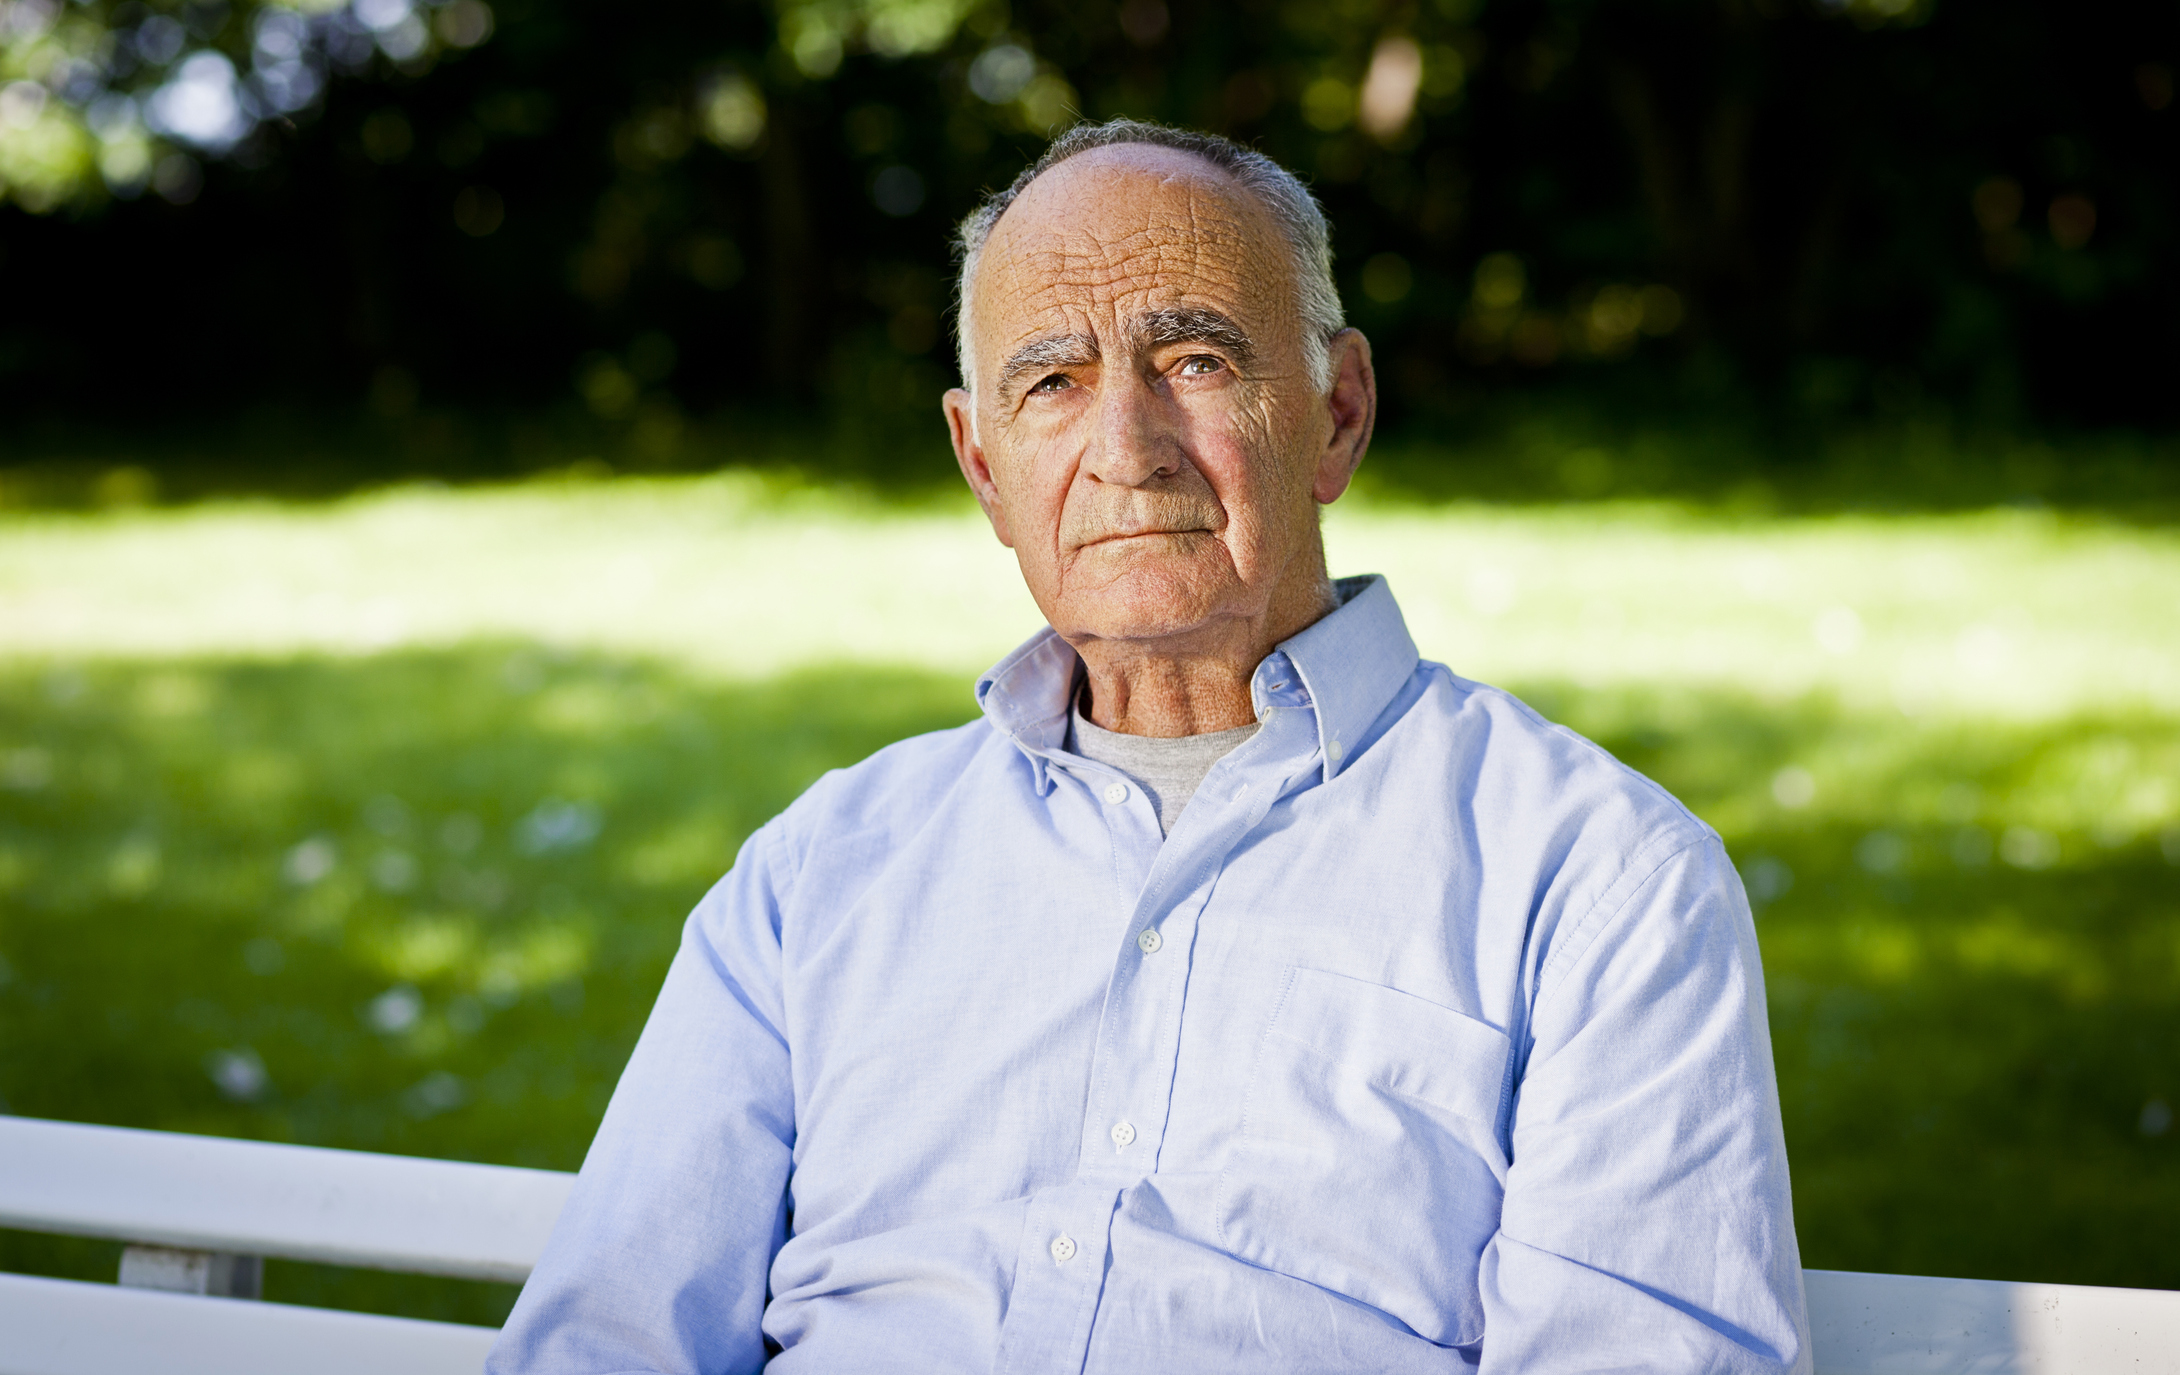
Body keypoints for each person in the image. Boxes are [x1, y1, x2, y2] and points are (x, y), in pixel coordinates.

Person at [490, 119, 1810, 1374]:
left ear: (1338, 413)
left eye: (1194, 362)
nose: (1126, 450)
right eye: (1051, 384)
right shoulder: (815, 877)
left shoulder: (1599, 881)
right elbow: (607, 1342)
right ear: (984, 464)